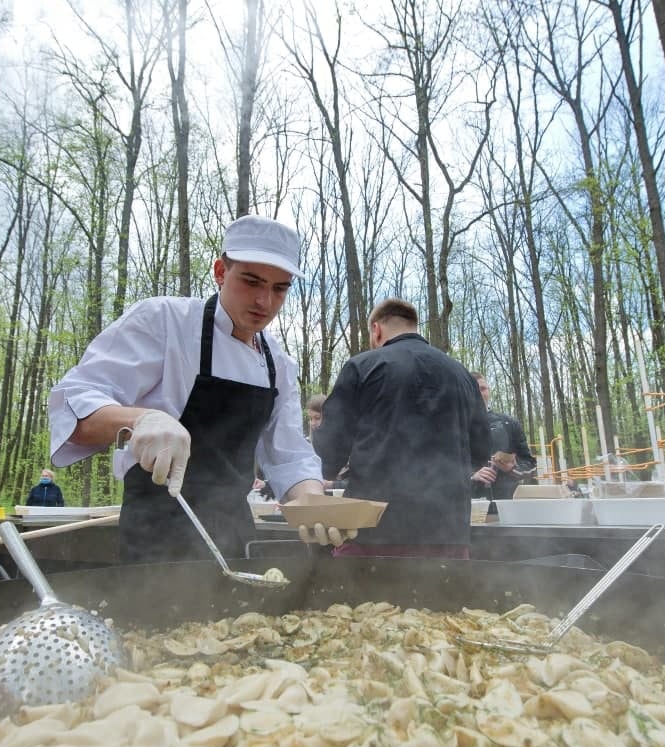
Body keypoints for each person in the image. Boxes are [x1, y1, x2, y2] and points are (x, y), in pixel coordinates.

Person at [47, 214, 338, 563]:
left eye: (279, 288)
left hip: (236, 536)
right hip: (156, 539)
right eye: (251, 281)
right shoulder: (163, 322)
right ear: (220, 272)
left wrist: (312, 501)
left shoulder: (279, 364)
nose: (264, 301)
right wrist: (143, 419)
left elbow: (289, 456)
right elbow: (74, 408)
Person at [313, 297, 491, 557]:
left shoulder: (363, 367)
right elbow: (480, 449)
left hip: (373, 531)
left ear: (376, 329)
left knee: (359, 598)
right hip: (448, 533)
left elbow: (330, 450)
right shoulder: (462, 375)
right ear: (414, 326)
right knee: (445, 598)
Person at [469, 373, 537, 501]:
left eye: (483, 389)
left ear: (488, 392)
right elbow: (443, 471)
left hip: (507, 505)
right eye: (474, 390)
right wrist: (472, 477)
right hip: (469, 508)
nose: (479, 394)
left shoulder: (510, 424)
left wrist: (512, 469)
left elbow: (531, 466)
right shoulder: (455, 426)